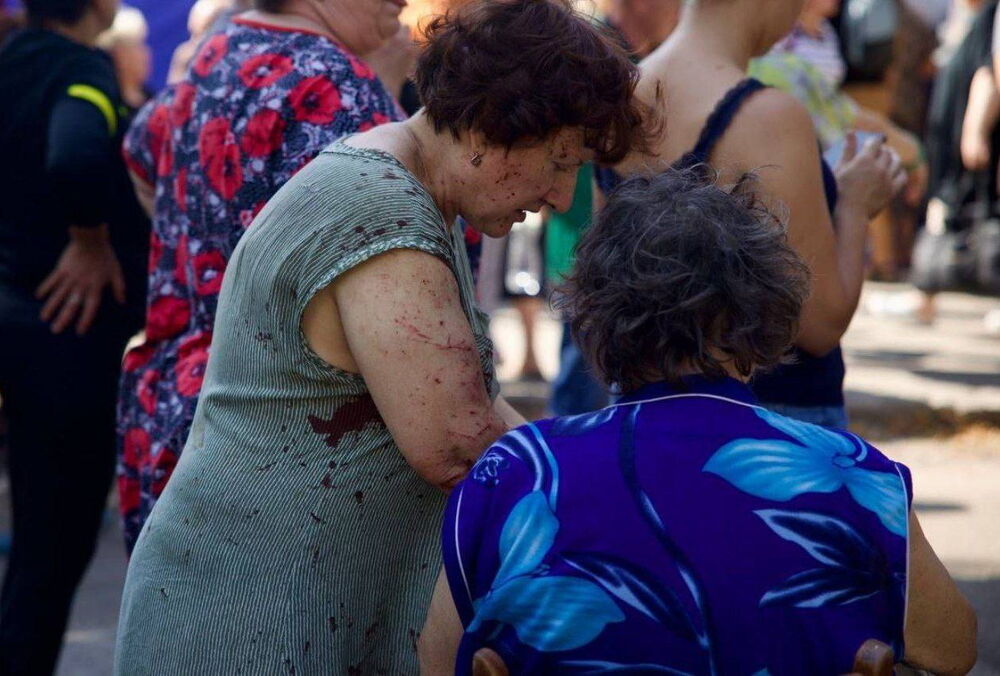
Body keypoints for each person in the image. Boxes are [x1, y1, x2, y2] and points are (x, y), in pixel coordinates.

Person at [114, 0, 650, 672]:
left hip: (277, 603)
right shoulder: (382, 211)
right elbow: (457, 444)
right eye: (560, 160)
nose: (562, 197)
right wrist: (629, 499)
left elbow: (477, 411)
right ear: (492, 123)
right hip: (245, 618)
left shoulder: (403, 187)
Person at [420, 167, 977, 676]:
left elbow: (435, 659)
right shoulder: (852, 475)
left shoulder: (515, 472)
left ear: (597, 316)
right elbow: (954, 650)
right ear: (762, 311)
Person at [115, 0, 407, 553]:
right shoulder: (337, 84)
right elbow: (386, 273)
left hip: (170, 408)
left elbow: (139, 152)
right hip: (272, 435)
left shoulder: (219, 49)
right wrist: (386, 97)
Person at [603, 0, 906, 428]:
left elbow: (605, 285)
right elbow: (819, 326)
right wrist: (854, 208)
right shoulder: (768, 117)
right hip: (768, 420)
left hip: (641, 413)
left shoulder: (621, 98)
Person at [0, 0, 149, 671]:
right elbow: (76, 154)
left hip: (24, 321)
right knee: (50, 548)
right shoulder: (79, 68)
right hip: (63, 335)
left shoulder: (11, 60)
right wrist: (90, 240)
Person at [96, 5, 152, 110]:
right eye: (138, 45)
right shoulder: (105, 103)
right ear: (118, 54)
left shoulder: (152, 99)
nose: (146, 53)